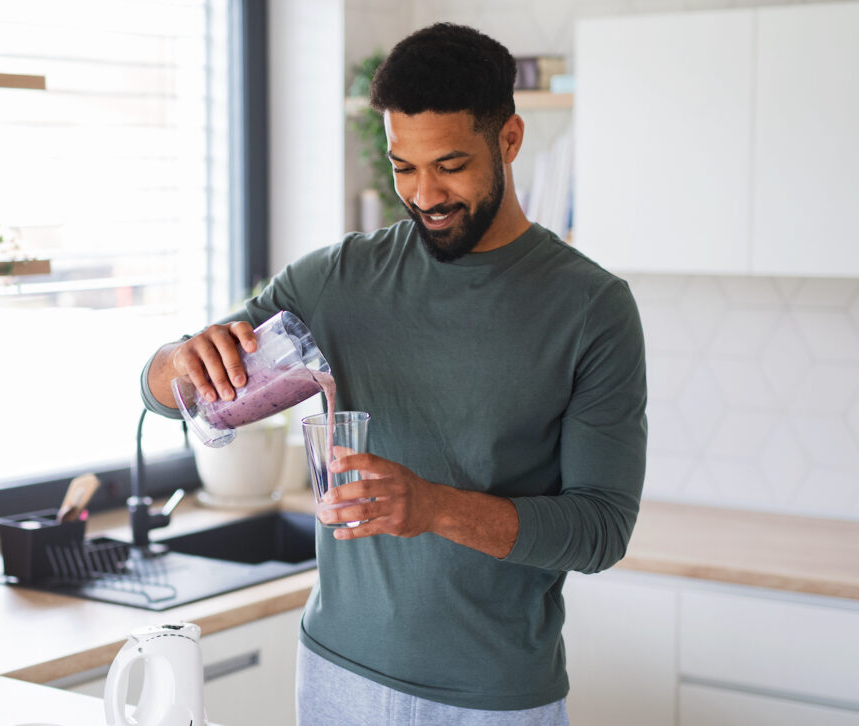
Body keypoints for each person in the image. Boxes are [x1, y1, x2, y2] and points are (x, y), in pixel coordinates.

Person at [142, 22, 646, 726]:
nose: (424, 194)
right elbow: (175, 395)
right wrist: (180, 361)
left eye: (449, 164)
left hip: (493, 700)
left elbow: (600, 529)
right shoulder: (337, 279)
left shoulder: (591, 308)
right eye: (402, 166)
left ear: (509, 140)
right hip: (335, 679)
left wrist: (435, 507)